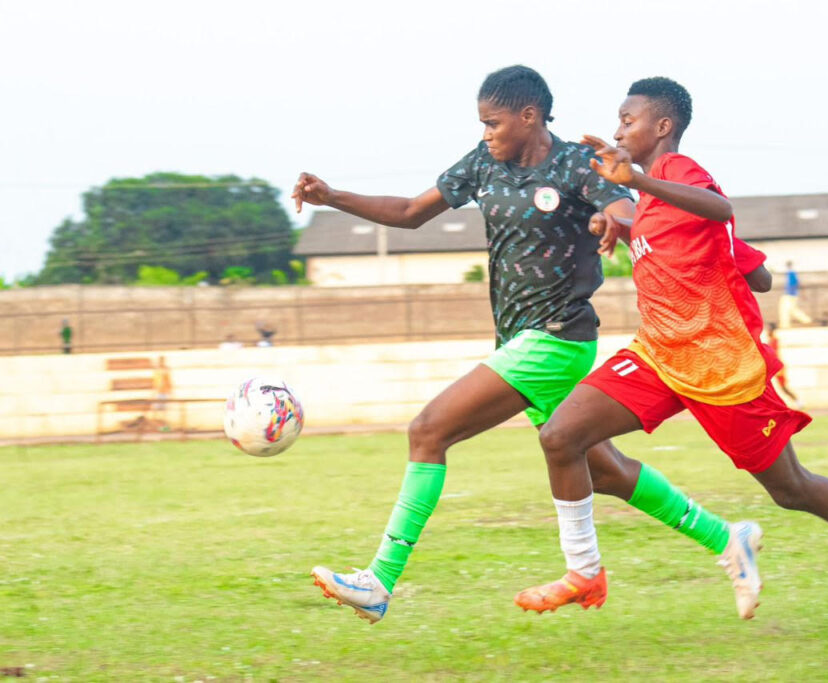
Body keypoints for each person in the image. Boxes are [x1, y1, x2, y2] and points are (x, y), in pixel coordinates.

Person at [292, 65, 762, 624]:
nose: (486, 133)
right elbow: (410, 214)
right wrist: (332, 196)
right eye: (482, 124)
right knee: (603, 471)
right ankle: (727, 538)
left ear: (529, 116)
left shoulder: (576, 166)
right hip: (522, 340)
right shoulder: (482, 164)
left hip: (556, 337)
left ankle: (379, 579)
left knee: (429, 429)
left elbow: (626, 212)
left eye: (493, 123)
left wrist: (614, 223)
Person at [515, 77, 828, 632]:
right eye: (618, 121)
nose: (619, 131)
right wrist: (616, 224)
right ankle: (584, 572)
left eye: (628, 120)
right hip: (658, 357)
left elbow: (719, 207)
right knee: (560, 435)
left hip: (722, 368)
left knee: (792, 489)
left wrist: (639, 183)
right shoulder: (648, 204)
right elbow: (757, 275)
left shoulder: (676, 171)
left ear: (662, 127)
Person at [766, 322, 802, 409]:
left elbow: (775, 354)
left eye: (768, 329)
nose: (767, 331)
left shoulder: (774, 340)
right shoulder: (771, 340)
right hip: (774, 365)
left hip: (777, 366)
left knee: (783, 387)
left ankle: (798, 401)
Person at [779, 260, 812, 328]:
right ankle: (806, 320)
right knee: (792, 309)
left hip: (790, 294)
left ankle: (785, 325)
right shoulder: (791, 273)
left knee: (785, 309)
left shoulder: (791, 273)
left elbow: (798, 284)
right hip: (792, 294)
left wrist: (803, 294)